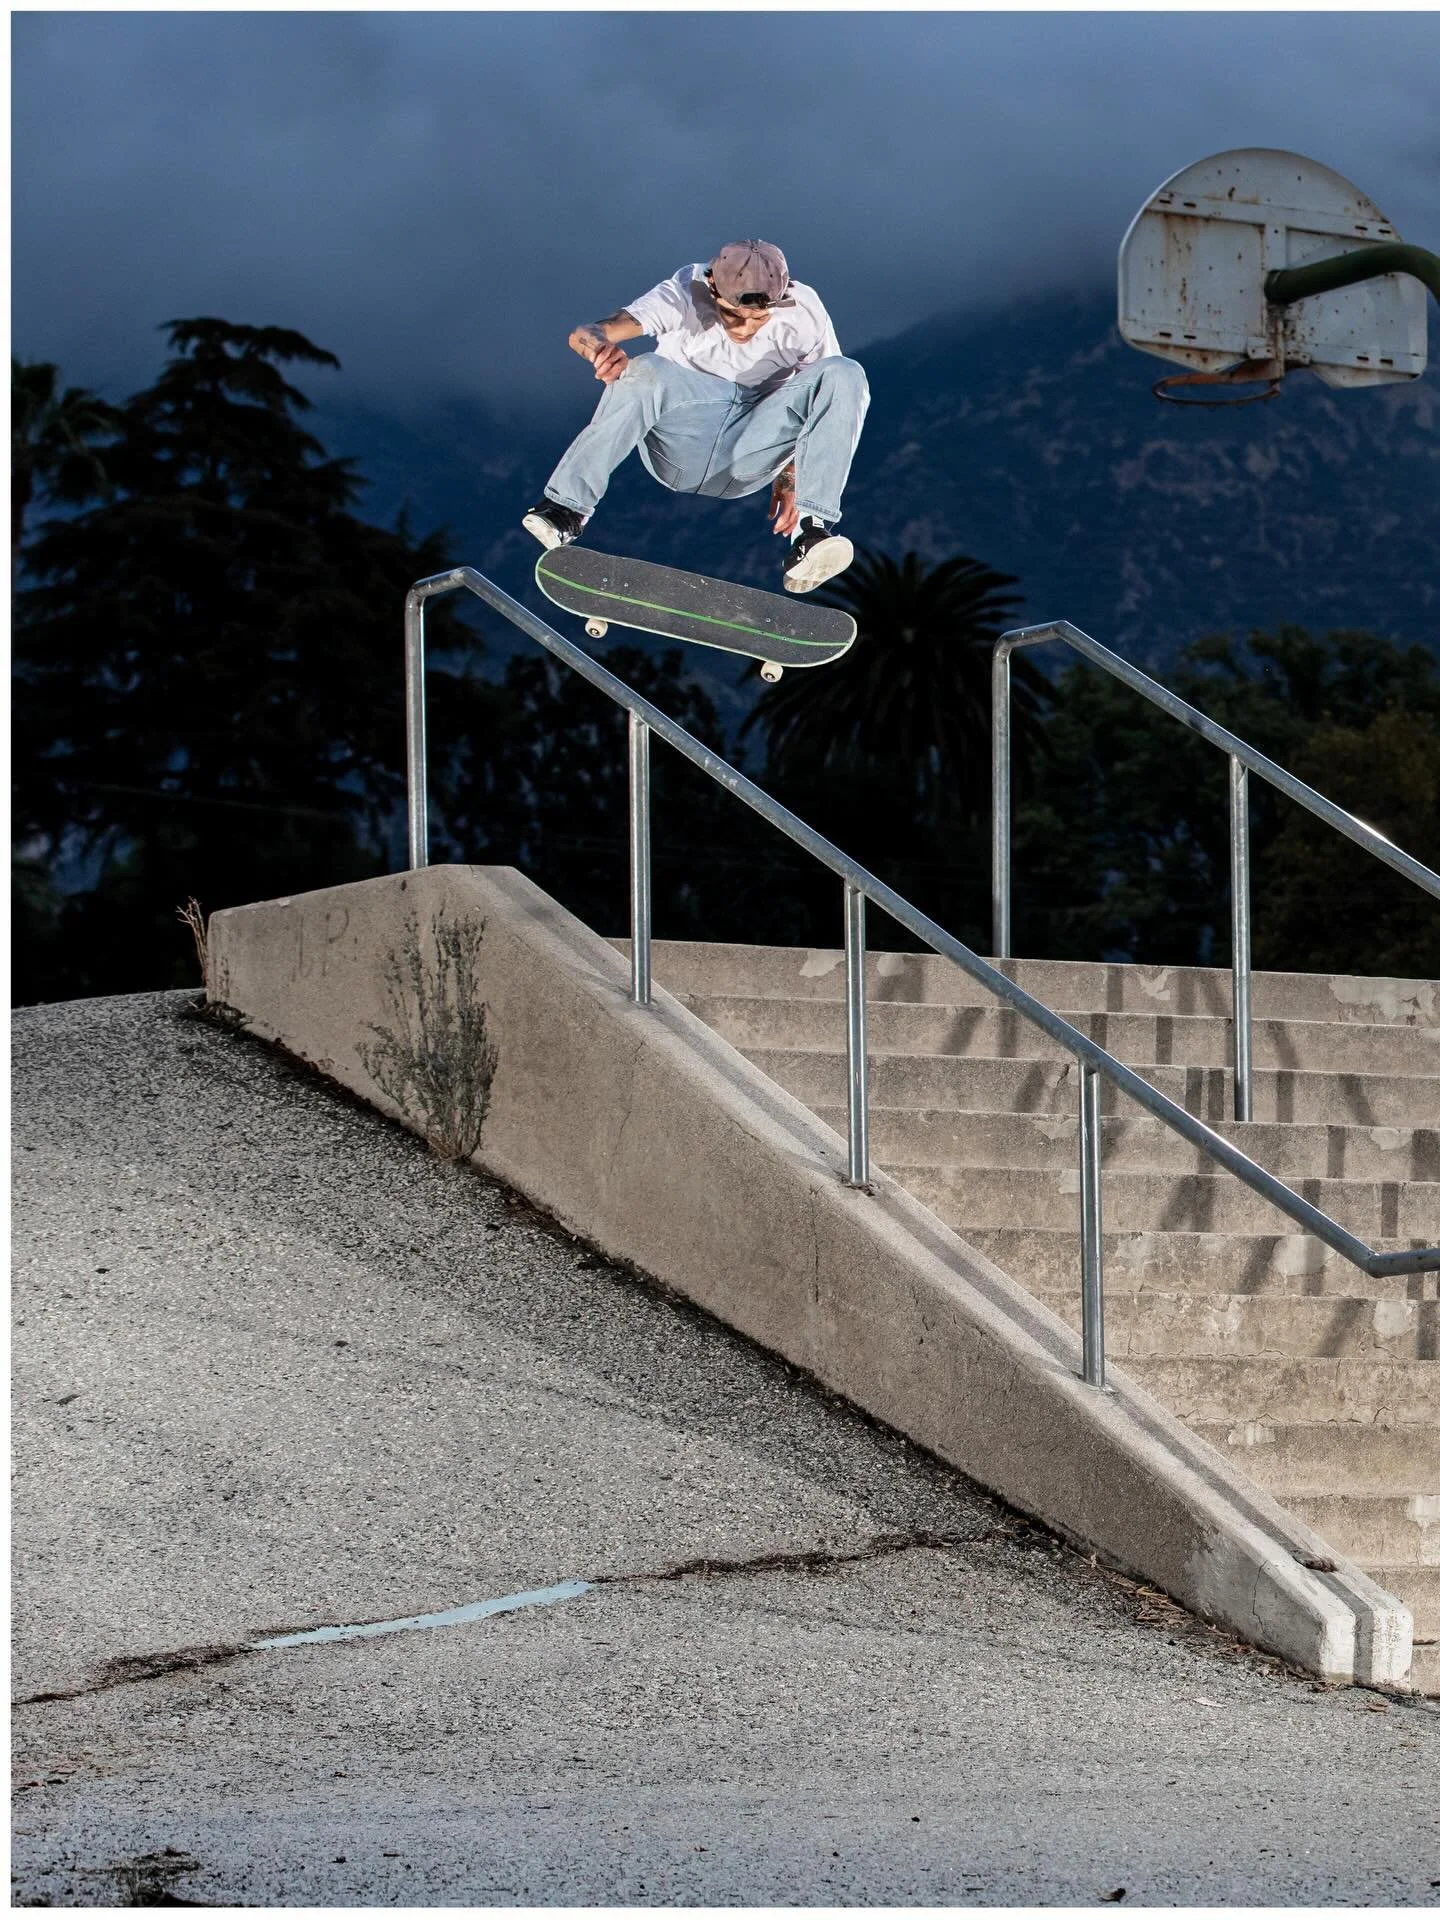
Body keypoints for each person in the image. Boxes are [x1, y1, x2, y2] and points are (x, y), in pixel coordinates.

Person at [523, 240, 869, 594]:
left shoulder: (804, 310)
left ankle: (810, 536)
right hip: (683, 443)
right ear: (712, 284)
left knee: (846, 372)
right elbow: (586, 332)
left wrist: (792, 475)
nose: (746, 330)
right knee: (646, 370)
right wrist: (599, 350)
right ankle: (566, 509)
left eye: (759, 319)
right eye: (733, 315)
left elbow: (827, 399)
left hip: (751, 450)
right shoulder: (682, 293)